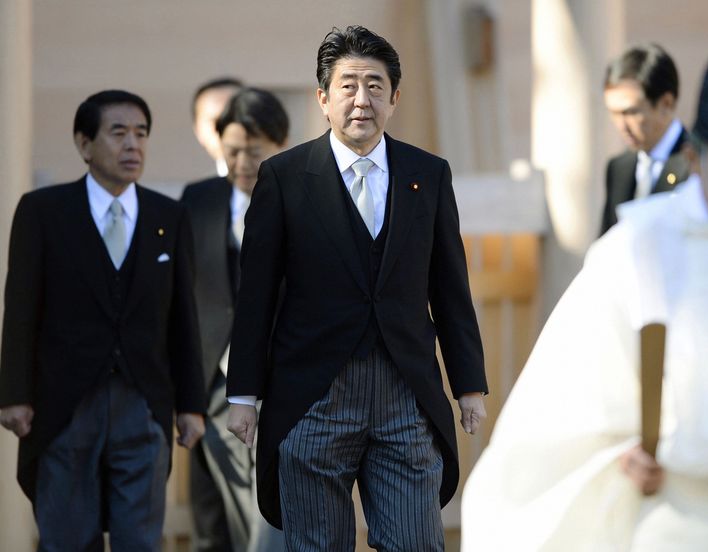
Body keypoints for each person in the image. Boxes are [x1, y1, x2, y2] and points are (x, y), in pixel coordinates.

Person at [462, 47, 708, 551]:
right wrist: (618, 449)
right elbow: (576, 378)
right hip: (677, 506)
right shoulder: (640, 242)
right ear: (697, 156)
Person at [225, 25, 488, 551]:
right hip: (312, 394)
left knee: (415, 543)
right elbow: (255, 296)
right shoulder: (283, 176)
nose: (361, 100)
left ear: (394, 98)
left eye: (375, 85)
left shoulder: (428, 174)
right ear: (323, 99)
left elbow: (450, 287)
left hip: (405, 393)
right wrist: (243, 395)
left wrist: (469, 385)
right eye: (347, 86)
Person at [0, 89, 206, 550]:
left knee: (140, 538)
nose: (133, 145)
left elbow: (182, 318)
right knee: (68, 535)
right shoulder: (43, 212)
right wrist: (14, 394)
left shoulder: (168, 216)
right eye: (118, 133)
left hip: (144, 402)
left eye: (141, 134)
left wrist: (190, 405)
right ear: (84, 143)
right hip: (65, 402)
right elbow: (21, 309)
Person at [182, 87, 288, 552]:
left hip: (281, 378)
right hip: (214, 382)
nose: (243, 163)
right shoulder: (198, 199)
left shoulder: (303, 197)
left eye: (255, 152)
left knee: (270, 510)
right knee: (221, 512)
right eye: (232, 152)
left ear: (280, 145)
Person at [600, 44, 691, 235]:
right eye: (613, 113)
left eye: (631, 112)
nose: (621, 125)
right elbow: (605, 249)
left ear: (666, 103)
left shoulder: (697, 165)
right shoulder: (619, 168)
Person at [193, 77, 243, 177]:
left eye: (233, 117)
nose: (224, 128)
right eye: (214, 121)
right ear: (198, 131)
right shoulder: (198, 191)